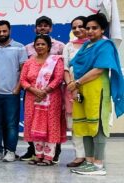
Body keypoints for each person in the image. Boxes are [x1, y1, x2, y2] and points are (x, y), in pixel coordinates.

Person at [68, 13, 124, 176]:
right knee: (85, 126)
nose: (90, 31)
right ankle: (89, 161)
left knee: (97, 126)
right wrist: (76, 87)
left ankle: (98, 165)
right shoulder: (86, 46)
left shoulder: (105, 45)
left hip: (97, 90)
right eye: (88, 28)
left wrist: (76, 83)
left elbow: (99, 69)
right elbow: (75, 66)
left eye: (94, 28)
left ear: (102, 29)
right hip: (82, 90)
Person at [21, 15, 66, 162]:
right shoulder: (28, 61)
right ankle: (38, 155)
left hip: (52, 98)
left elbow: (58, 78)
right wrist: (35, 91)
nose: (40, 46)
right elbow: (23, 79)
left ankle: (50, 156)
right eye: (37, 45)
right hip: (32, 97)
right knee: (34, 125)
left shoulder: (56, 59)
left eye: (43, 44)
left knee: (50, 125)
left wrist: (44, 91)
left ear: (49, 46)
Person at [0, 20, 28, 162]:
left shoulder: (19, 48)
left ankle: (11, 151)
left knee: (11, 125)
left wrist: (17, 88)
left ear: (9, 31)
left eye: (4, 31)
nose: (1, 34)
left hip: (11, 94)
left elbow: (23, 70)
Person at [62, 16, 88, 168]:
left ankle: (92, 157)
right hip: (72, 89)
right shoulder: (69, 46)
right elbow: (65, 68)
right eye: (74, 27)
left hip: (91, 88)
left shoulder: (97, 44)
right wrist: (71, 85)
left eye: (81, 26)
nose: (77, 30)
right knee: (76, 125)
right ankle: (79, 156)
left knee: (91, 122)